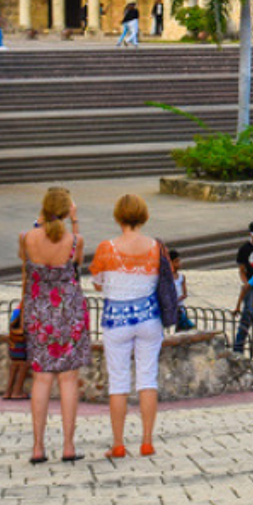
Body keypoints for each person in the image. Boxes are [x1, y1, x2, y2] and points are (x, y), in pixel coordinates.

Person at [90, 194, 166, 458]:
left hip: (116, 318)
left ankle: (119, 443)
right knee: (147, 377)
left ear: (118, 216)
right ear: (143, 216)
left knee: (119, 382)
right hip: (148, 316)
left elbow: (98, 282)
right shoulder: (156, 247)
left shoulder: (106, 248)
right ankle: (147, 441)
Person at [18, 187, 87, 463]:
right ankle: (68, 446)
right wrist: (75, 220)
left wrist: (40, 220)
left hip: (39, 314)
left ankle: (37, 447)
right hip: (69, 313)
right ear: (68, 209)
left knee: (41, 378)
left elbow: (26, 271)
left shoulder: (27, 238)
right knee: (69, 379)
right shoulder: (75, 240)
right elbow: (77, 266)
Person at [3, 308, 31, 400]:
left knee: (14, 365)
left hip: (13, 342)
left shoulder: (16, 311)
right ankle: (17, 391)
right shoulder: (28, 310)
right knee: (24, 365)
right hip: (22, 342)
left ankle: (8, 392)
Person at [169, 248, 194, 331]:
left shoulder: (181, 277)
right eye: (176, 261)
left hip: (180, 306)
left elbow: (184, 293)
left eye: (179, 261)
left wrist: (180, 298)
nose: (179, 264)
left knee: (181, 326)